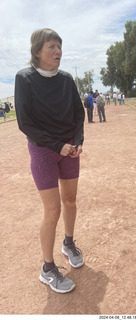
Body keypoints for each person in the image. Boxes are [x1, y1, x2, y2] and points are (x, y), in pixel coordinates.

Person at [14, 28, 85, 294]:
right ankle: (47, 268)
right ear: (37, 52)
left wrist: (77, 141)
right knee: (53, 210)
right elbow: (25, 122)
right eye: (52, 47)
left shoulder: (66, 79)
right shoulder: (24, 78)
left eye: (59, 47)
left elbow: (78, 113)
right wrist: (58, 146)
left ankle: (68, 243)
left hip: (69, 149)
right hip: (44, 150)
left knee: (71, 201)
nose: (58, 52)